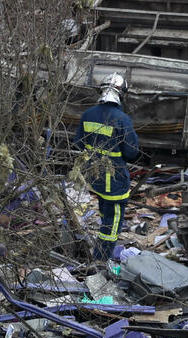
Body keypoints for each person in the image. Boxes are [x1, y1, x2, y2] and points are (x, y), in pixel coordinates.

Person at [73, 72, 140, 261]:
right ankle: (101, 259)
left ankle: (102, 253)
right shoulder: (122, 119)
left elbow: (79, 143)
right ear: (121, 94)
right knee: (113, 223)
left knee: (105, 216)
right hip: (115, 181)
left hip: (95, 177)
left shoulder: (88, 115)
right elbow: (131, 152)